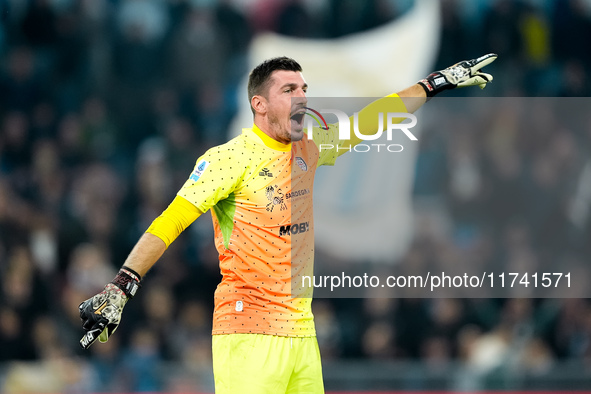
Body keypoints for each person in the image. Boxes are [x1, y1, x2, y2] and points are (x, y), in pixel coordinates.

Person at [79, 54, 497, 393]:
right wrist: (121, 286)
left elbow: (372, 120)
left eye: (304, 90)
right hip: (247, 332)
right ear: (259, 104)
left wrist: (433, 84)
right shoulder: (228, 158)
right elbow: (169, 222)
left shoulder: (308, 150)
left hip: (301, 333)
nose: (301, 98)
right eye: (289, 90)